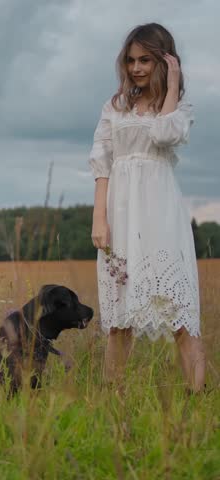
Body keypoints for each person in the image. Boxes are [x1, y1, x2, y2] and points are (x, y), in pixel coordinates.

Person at [88, 23, 206, 394]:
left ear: (165, 62)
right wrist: (99, 218)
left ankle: (196, 398)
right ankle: (112, 399)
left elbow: (164, 134)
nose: (137, 68)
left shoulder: (180, 108)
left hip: (160, 216)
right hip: (121, 215)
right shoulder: (115, 106)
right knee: (120, 318)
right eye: (131, 60)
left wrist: (171, 88)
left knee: (180, 314)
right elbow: (101, 161)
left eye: (146, 60)